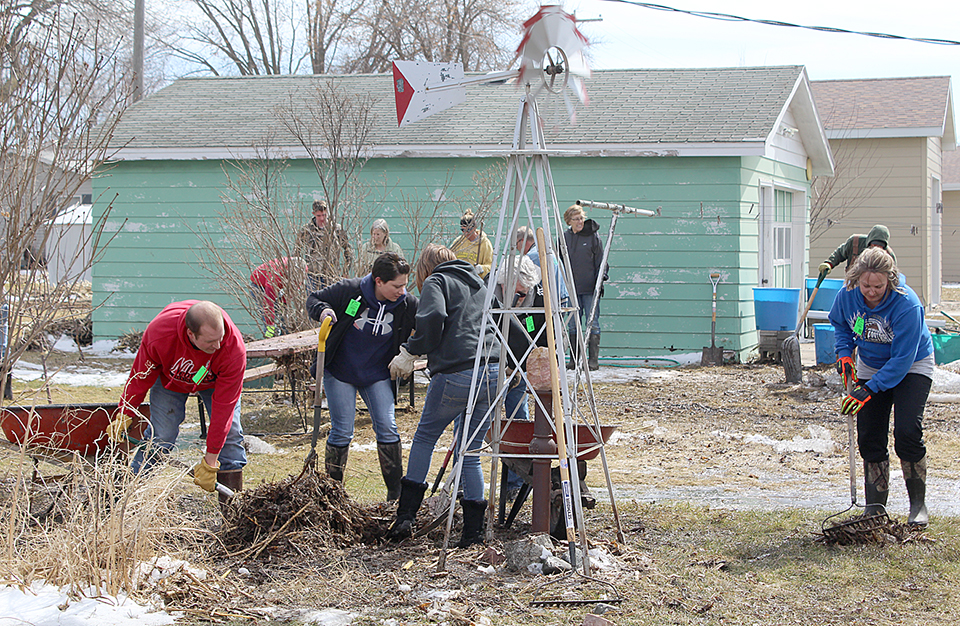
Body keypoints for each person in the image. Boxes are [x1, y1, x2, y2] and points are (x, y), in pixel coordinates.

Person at [384, 244, 501, 547]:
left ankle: (405, 518)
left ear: (425, 268)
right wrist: (516, 364)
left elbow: (434, 314)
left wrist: (411, 350)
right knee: (470, 450)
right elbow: (507, 321)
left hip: (457, 373)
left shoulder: (437, 281)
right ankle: (473, 534)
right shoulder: (481, 284)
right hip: (492, 373)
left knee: (425, 437)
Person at [828, 247, 933, 526]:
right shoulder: (848, 295)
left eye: (878, 286)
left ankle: (918, 505)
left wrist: (869, 389)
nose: (871, 292)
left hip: (911, 365)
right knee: (870, 434)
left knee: (907, 431)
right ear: (856, 278)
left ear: (890, 280)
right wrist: (845, 353)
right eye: (866, 285)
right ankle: (875, 508)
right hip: (872, 364)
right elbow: (841, 325)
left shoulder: (907, 304)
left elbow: (901, 360)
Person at [305, 253, 418, 501]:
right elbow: (314, 298)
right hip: (341, 371)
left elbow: (426, 327)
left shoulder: (407, 304)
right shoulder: (350, 291)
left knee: (388, 427)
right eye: (396, 286)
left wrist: (411, 353)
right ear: (378, 281)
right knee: (342, 431)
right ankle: (332, 495)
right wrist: (323, 310)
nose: (402, 290)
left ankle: (395, 496)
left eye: (404, 285)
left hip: (377, 373)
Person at [107, 300, 247, 501]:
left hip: (214, 379)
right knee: (161, 435)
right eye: (210, 342)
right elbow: (140, 377)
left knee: (231, 434)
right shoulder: (160, 334)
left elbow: (223, 411)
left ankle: (233, 512)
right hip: (169, 379)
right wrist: (125, 413)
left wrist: (210, 461)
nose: (217, 346)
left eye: (220, 338)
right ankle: (129, 498)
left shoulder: (232, 348)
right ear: (191, 334)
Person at [562, 205, 607, 371]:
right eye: (576, 219)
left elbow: (602, 261)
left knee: (592, 323)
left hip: (590, 289)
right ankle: (574, 360)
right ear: (569, 221)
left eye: (581, 218)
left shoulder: (593, 237)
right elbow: (559, 262)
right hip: (571, 289)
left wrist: (601, 280)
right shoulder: (564, 238)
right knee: (573, 325)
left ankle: (593, 361)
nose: (580, 222)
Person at [296, 199, 354, 289]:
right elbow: (297, 250)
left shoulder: (336, 229)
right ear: (313, 214)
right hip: (312, 274)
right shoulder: (307, 230)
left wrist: (345, 271)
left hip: (331, 274)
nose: (322, 218)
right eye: (319, 216)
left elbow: (348, 249)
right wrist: (299, 271)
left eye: (324, 215)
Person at [250, 257, 307, 338]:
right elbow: (268, 304)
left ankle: (285, 336)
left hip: (277, 284)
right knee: (271, 317)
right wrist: (271, 325)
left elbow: (294, 288)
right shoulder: (275, 275)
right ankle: (269, 338)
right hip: (259, 286)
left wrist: (284, 302)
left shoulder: (302, 268)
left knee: (284, 312)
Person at [819, 224, 896, 276]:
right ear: (869, 242)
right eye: (874, 245)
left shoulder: (889, 256)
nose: (876, 248)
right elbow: (839, 253)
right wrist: (829, 263)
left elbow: (894, 277)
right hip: (852, 284)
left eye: (879, 246)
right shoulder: (855, 242)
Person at [449, 210, 493, 279]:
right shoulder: (458, 242)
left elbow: (491, 266)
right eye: (463, 230)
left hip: (476, 281)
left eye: (468, 230)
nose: (465, 233)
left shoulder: (485, 244)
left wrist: (482, 269)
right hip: (459, 279)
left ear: (475, 228)